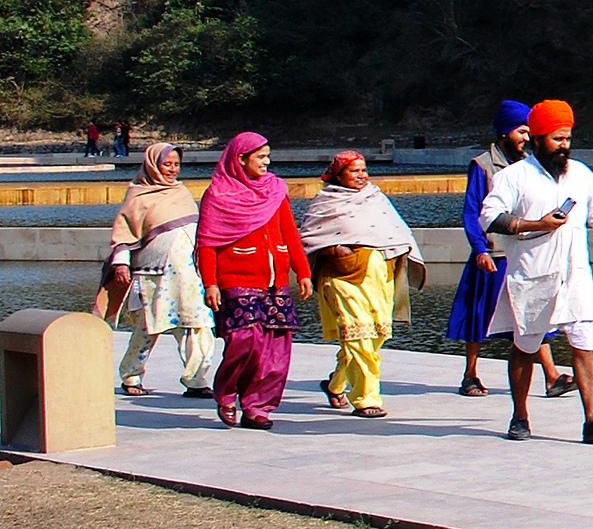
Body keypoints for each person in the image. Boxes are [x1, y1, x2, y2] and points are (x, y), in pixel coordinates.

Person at [480, 99, 593, 444]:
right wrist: (537, 224)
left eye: (567, 138)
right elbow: (490, 217)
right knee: (526, 346)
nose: (563, 145)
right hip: (532, 275)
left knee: (584, 342)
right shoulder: (513, 177)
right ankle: (520, 416)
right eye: (556, 139)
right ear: (537, 139)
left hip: (575, 275)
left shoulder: (580, 174)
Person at [451, 102, 569, 399]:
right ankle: (470, 374)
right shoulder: (483, 165)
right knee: (480, 315)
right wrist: (480, 249)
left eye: (529, 132)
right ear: (505, 132)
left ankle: (552, 376)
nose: (526, 138)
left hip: (523, 253)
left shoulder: (531, 165)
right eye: (521, 132)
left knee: (532, 313)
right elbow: (472, 212)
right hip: (493, 253)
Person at [198, 133, 311, 430]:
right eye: (260, 157)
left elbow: (289, 232)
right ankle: (227, 394)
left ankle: (257, 406)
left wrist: (302, 271)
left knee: (275, 349)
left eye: (267, 156)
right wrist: (210, 283)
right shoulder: (218, 195)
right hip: (236, 278)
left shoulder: (275, 189)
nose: (266, 162)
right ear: (240, 159)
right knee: (244, 340)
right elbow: (207, 242)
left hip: (275, 281)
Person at [301, 151, 425, 418]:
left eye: (364, 170)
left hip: (380, 277)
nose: (361, 176)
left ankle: (335, 384)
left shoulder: (376, 198)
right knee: (358, 335)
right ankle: (366, 398)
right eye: (354, 171)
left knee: (375, 335)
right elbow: (309, 238)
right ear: (338, 175)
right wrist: (334, 249)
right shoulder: (326, 202)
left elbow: (396, 231)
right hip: (342, 277)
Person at [101, 141, 213, 398]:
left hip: (188, 276)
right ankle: (131, 374)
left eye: (176, 164)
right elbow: (124, 235)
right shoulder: (138, 195)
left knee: (197, 324)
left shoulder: (182, 193)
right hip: (152, 276)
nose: (172, 169)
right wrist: (121, 264)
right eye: (167, 164)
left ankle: (196, 379)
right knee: (146, 328)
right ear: (153, 164)